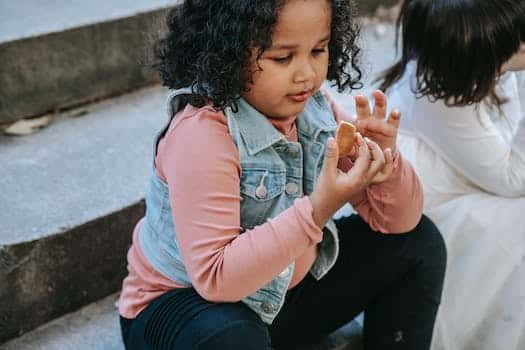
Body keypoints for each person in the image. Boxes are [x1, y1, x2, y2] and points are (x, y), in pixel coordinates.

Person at [117, 1, 446, 349]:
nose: (305, 73)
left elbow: (399, 223)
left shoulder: (314, 109)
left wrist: (384, 166)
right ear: (228, 51)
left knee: (419, 243)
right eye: (282, 58)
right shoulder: (202, 135)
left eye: (318, 50)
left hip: (280, 295)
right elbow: (216, 278)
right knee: (230, 338)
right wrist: (318, 210)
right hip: (186, 312)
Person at [379, 1, 525, 349]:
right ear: (482, 58)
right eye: (517, 40)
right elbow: (513, 179)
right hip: (433, 221)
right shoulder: (441, 102)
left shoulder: (450, 67)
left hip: (460, 189)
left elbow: (503, 134)